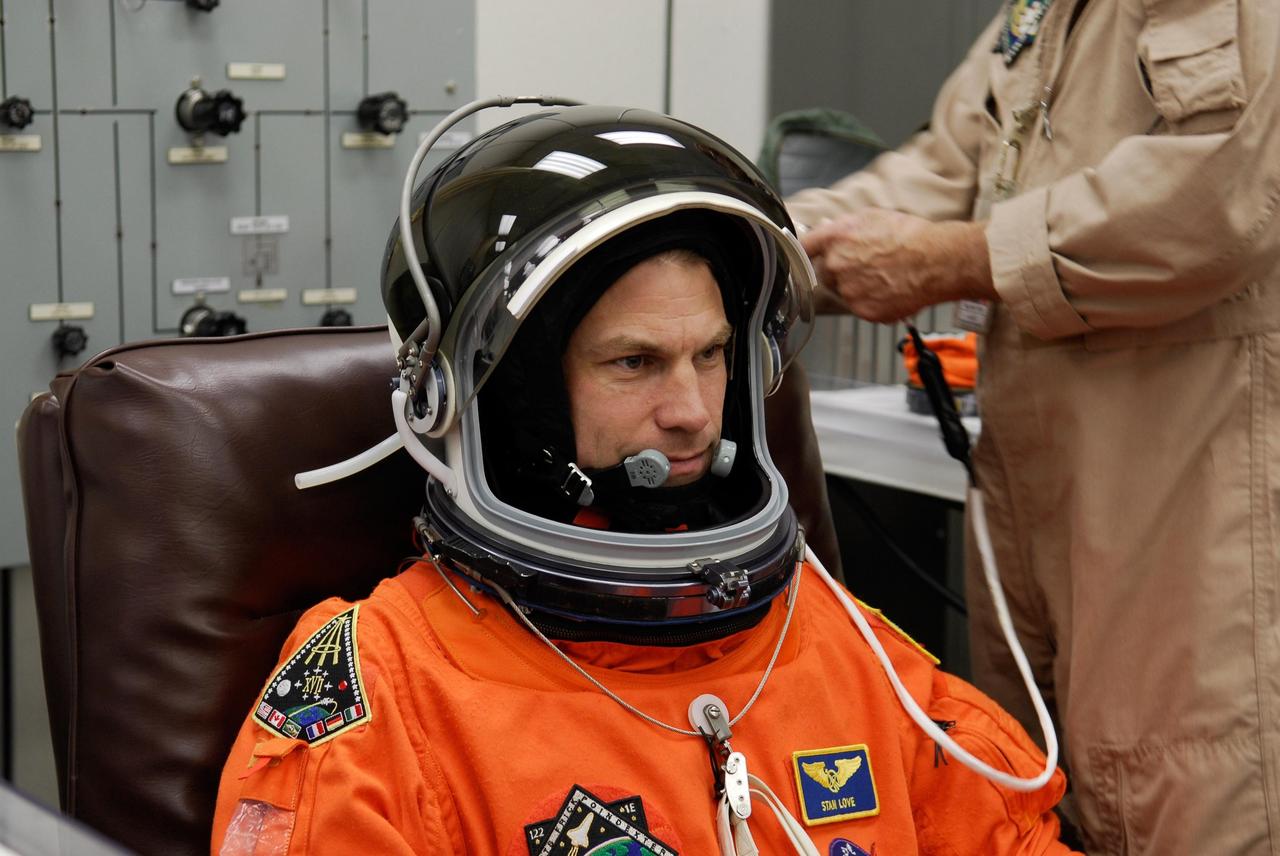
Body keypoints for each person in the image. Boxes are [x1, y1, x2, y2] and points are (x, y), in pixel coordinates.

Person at [211, 105, 1078, 855]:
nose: (694, 412)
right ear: (510, 394)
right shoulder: (381, 695)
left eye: (710, 356)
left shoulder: (842, 646)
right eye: (635, 363)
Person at [787, 2, 1280, 853]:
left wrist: (961, 259)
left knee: (1186, 796)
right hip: (1040, 520)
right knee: (1024, 796)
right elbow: (953, 162)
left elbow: (1221, 193)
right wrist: (757, 237)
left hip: (1189, 522)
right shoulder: (1052, 11)